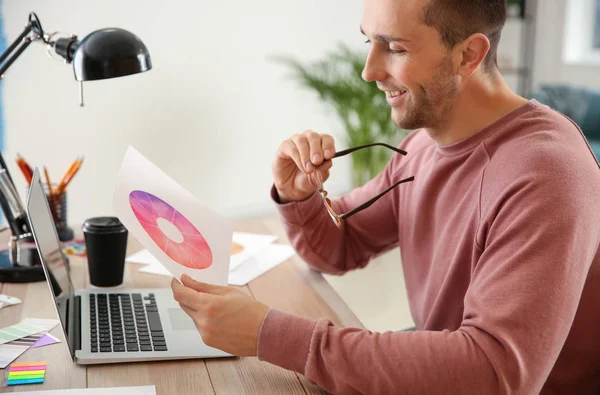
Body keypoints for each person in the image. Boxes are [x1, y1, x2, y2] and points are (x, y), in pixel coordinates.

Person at [171, 0, 600, 393]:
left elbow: (493, 373)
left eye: (394, 47)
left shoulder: (546, 173)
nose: (368, 71)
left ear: (469, 55)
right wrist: (298, 193)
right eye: (368, 41)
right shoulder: (425, 146)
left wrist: (269, 334)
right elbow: (341, 244)